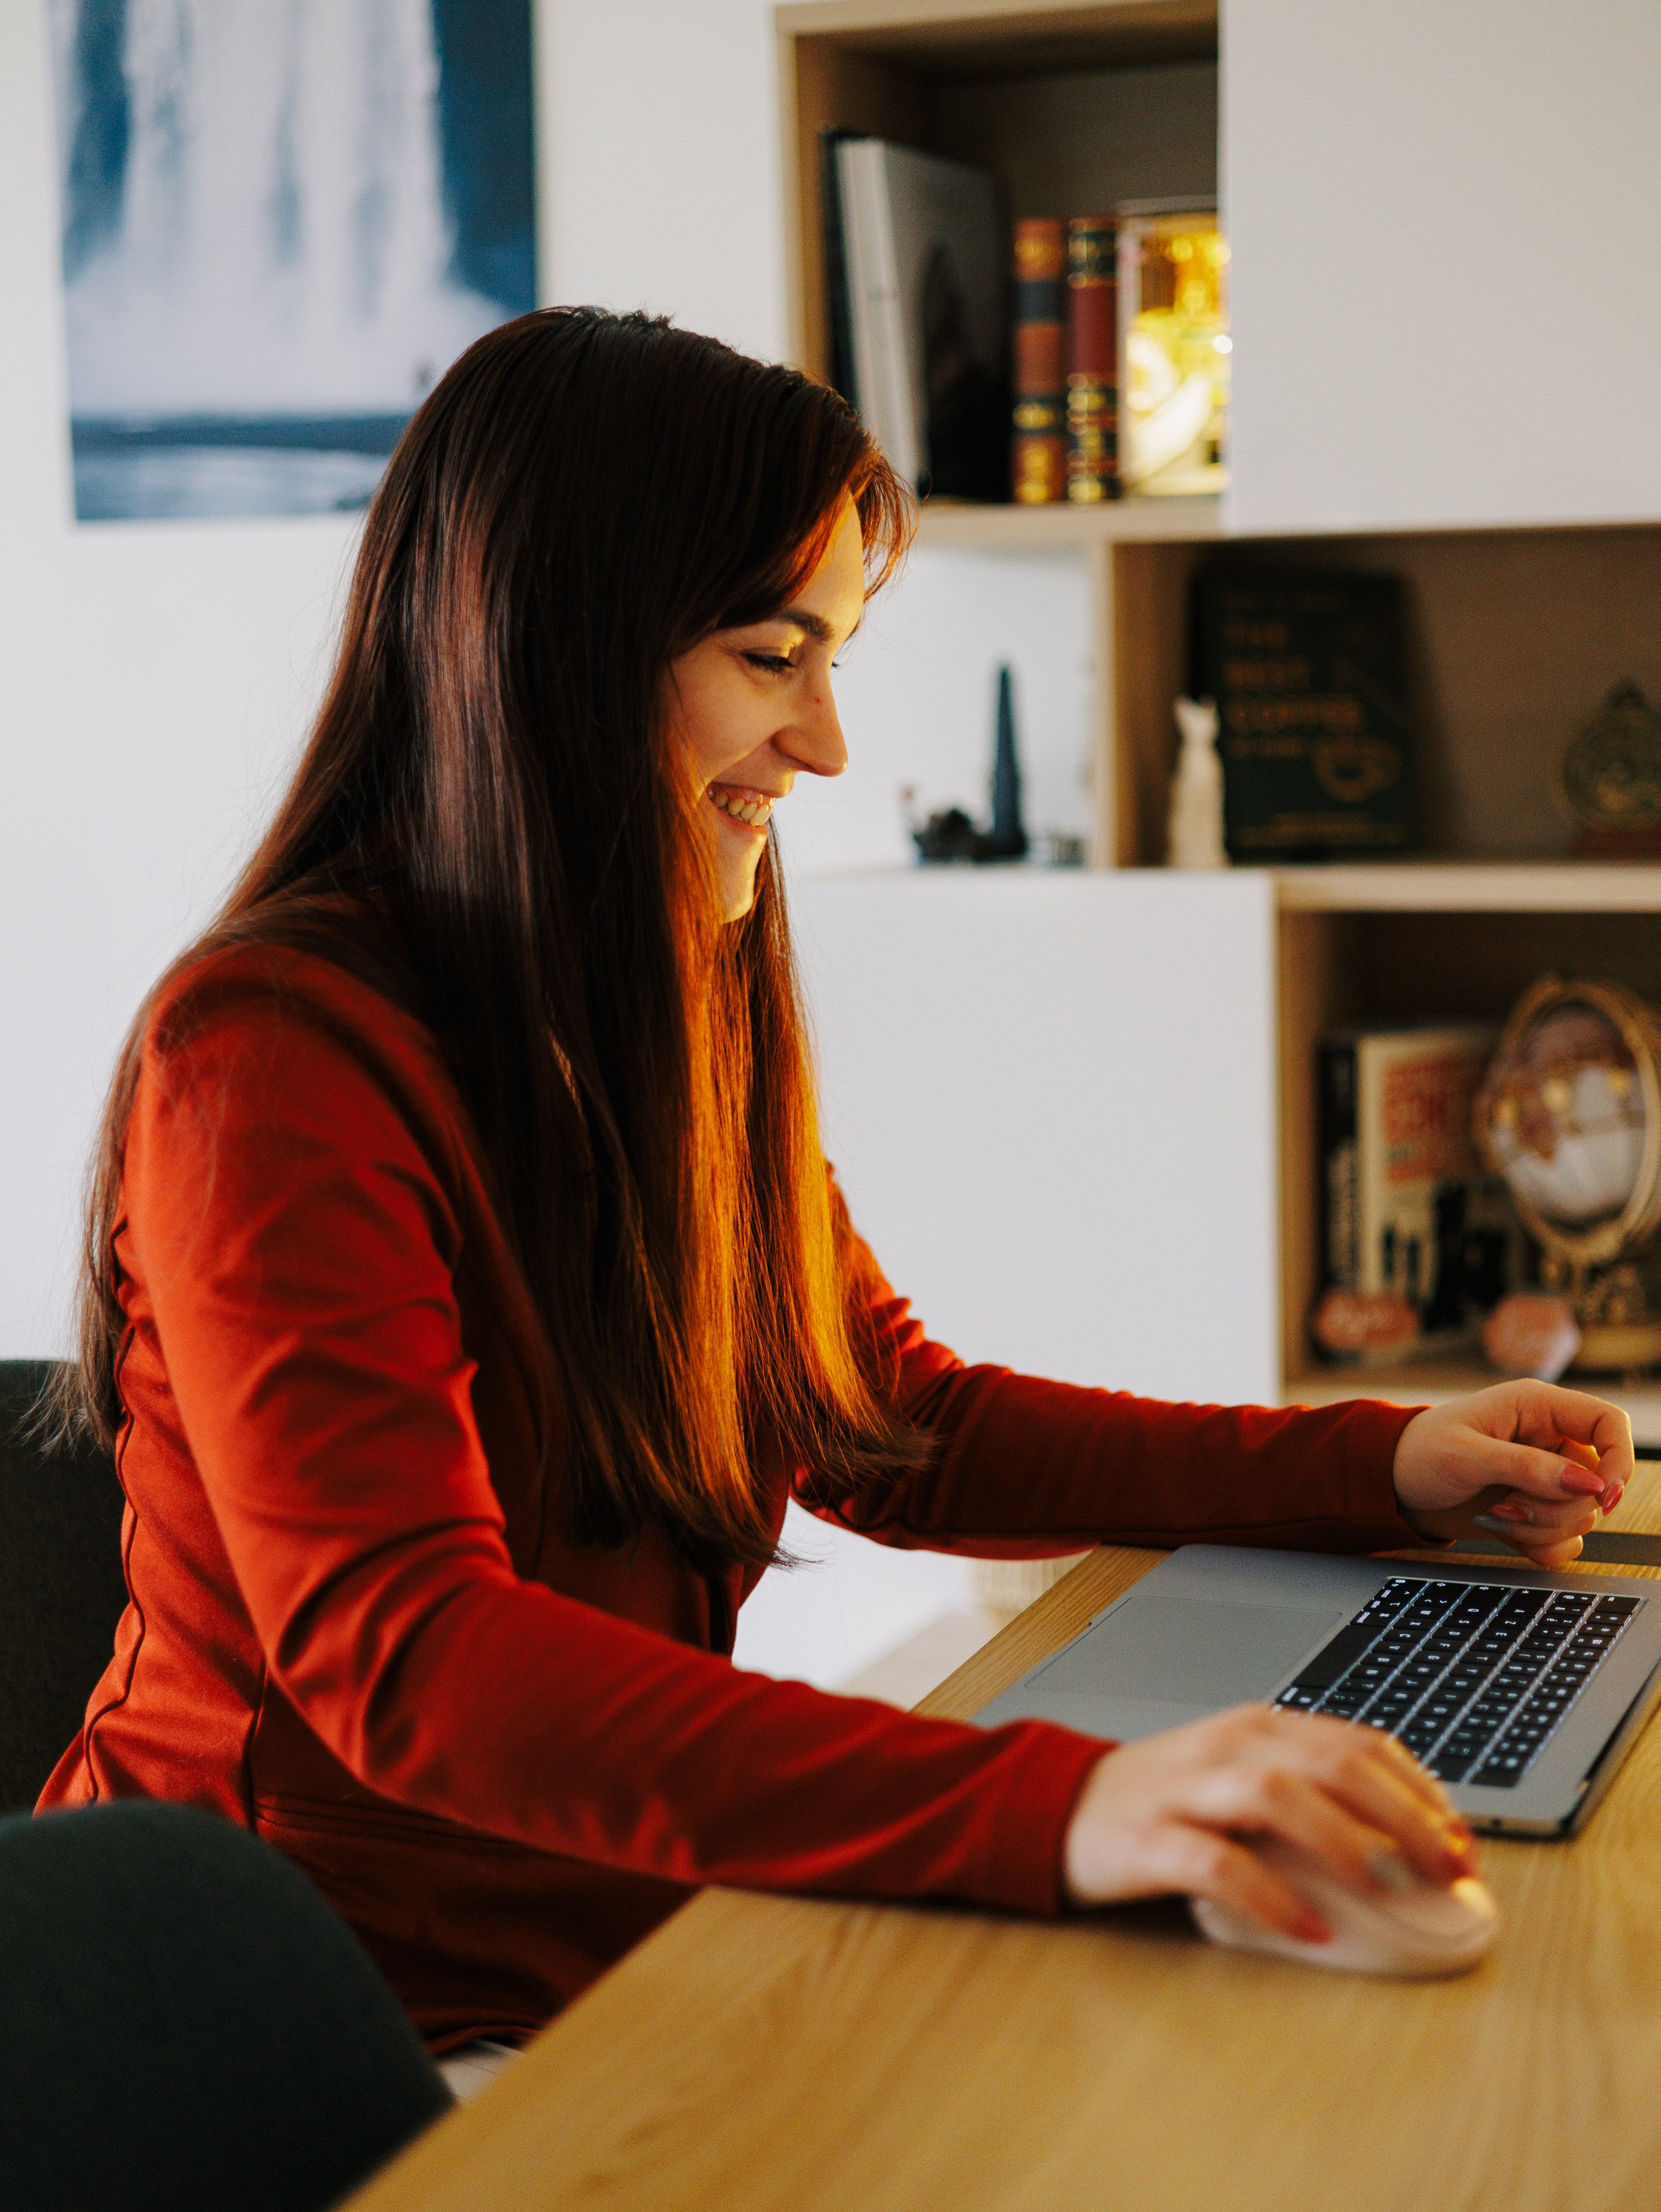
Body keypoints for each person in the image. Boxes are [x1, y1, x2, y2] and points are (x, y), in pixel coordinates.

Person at [41, 310, 1630, 2064]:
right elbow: (411, 1655)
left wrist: (1372, 1462)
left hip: (606, 1950)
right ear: (553, 655)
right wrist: (1065, 1806)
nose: (823, 746)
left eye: (835, 658)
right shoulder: (269, 1056)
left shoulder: (653, 1001)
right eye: (768, 651)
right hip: (298, 2029)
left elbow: (882, 1414)